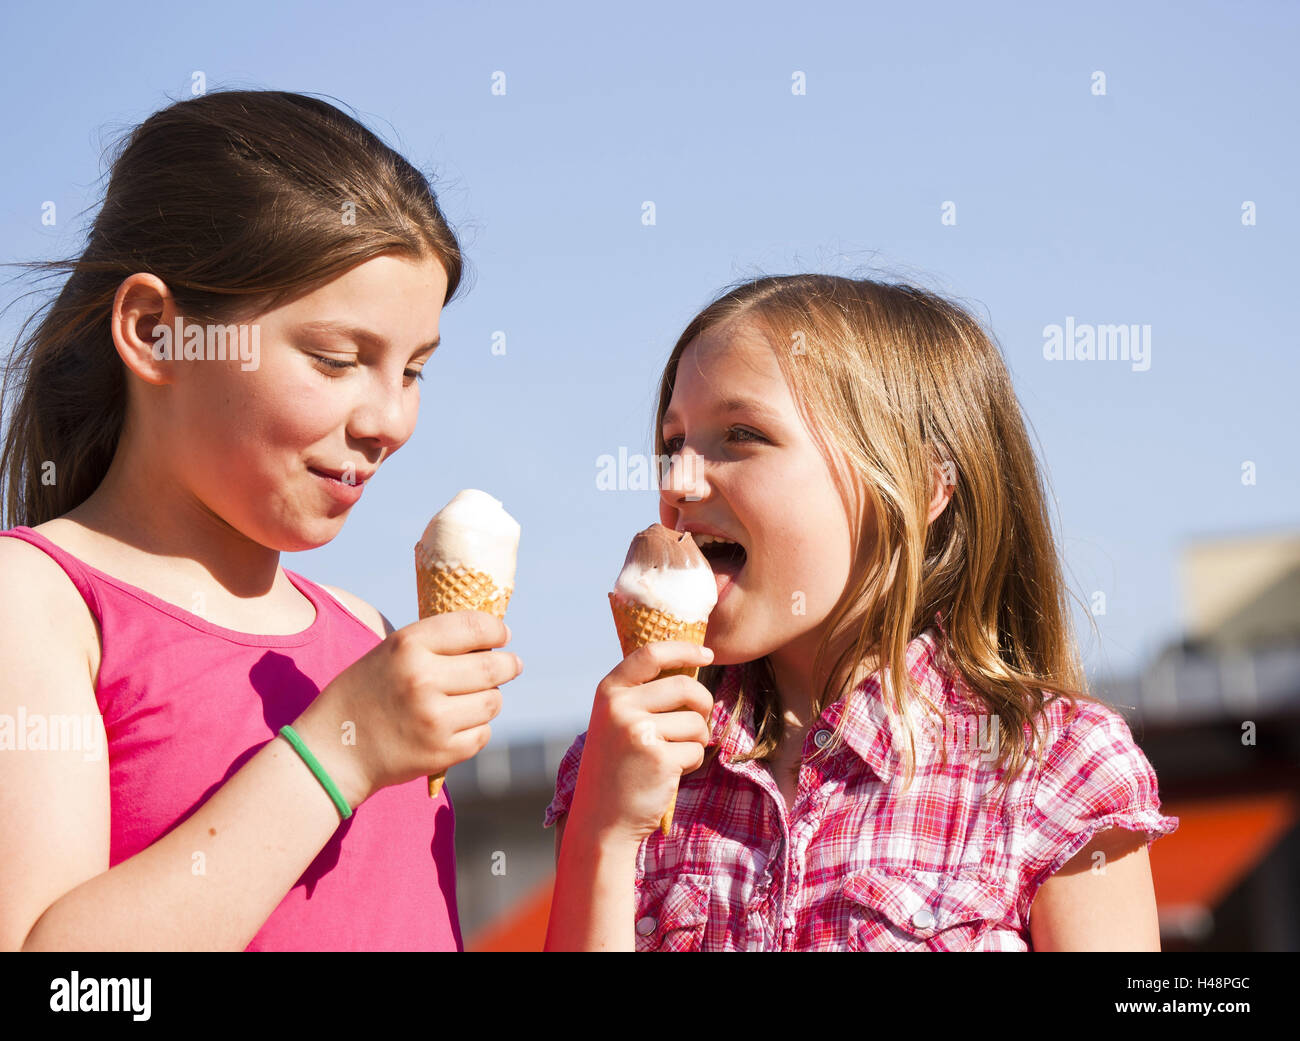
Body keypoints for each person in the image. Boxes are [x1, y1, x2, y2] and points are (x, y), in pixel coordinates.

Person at [0, 89, 522, 951]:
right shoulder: (38, 600)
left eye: (414, 370)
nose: (388, 420)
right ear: (156, 331)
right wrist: (341, 752)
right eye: (336, 359)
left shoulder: (369, 635)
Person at [544, 274, 1178, 951]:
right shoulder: (624, 761)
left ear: (920, 481)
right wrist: (604, 833)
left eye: (741, 434)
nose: (677, 483)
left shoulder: (1054, 763)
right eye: (673, 445)